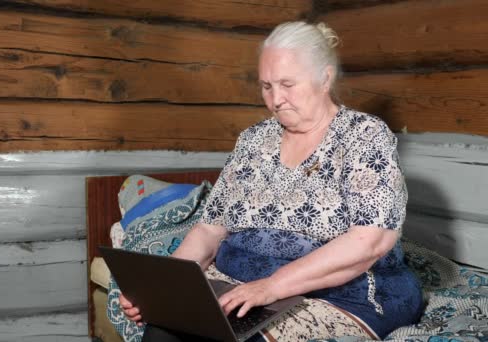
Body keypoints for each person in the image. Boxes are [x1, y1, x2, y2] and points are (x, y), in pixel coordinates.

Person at [120, 21, 424, 341]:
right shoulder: (253, 140)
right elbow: (210, 229)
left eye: (287, 84)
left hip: (337, 295)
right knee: (164, 328)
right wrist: (164, 287)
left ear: (324, 78)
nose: (275, 99)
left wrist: (272, 286)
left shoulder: (363, 136)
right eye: (266, 86)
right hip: (241, 285)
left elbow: (369, 242)